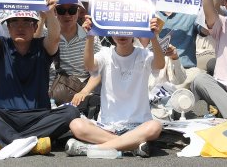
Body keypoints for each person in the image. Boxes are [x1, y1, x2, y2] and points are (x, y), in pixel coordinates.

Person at [0, 0, 79, 154]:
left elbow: (54, 38)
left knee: (71, 111)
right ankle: (26, 142)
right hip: (5, 116)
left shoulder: (42, 47)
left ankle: (6, 140)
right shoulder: (2, 46)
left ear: (35, 27)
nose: (20, 27)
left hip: (39, 116)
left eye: (26, 22)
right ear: (8, 28)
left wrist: (50, 13)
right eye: (14, 22)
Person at [64, 15, 165, 157]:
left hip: (138, 125)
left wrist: (153, 37)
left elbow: (160, 64)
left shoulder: (144, 54)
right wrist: (90, 36)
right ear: (110, 32)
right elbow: (89, 65)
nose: (121, 34)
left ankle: (90, 149)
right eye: (116, 30)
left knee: (155, 127)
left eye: (126, 30)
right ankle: (131, 145)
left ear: (135, 32)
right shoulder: (105, 54)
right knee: (76, 124)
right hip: (107, 126)